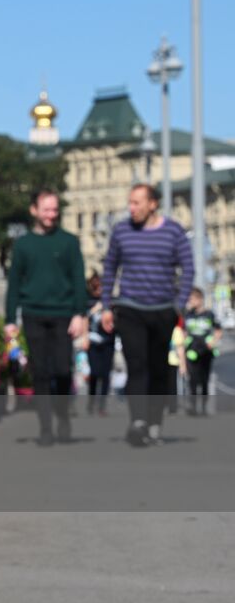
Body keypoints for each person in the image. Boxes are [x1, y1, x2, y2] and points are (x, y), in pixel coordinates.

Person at [99, 184, 195, 446]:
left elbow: (188, 267)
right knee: (137, 365)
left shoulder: (173, 231)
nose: (132, 208)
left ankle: (154, 424)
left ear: (153, 204)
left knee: (158, 369)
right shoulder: (122, 231)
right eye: (130, 202)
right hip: (130, 308)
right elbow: (110, 268)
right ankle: (138, 422)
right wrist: (106, 305)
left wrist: (180, 303)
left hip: (163, 310)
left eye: (137, 203)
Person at [5, 189, 87, 445]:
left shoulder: (69, 242)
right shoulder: (24, 245)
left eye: (55, 210)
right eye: (46, 210)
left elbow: (78, 279)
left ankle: (63, 415)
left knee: (63, 369)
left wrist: (79, 314)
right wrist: (10, 319)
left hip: (63, 314)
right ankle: (45, 428)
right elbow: (14, 284)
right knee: (40, 372)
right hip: (34, 314)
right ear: (34, 211)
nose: (51, 215)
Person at [184, 288, 222, 415]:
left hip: (206, 352)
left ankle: (204, 408)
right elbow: (183, 331)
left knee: (204, 380)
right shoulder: (188, 315)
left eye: (192, 299)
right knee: (192, 380)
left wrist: (213, 342)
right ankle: (193, 407)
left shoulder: (209, 314)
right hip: (191, 352)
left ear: (200, 299)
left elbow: (218, 330)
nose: (190, 302)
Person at [85, 272, 116, 415]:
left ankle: (102, 405)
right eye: (96, 287)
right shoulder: (87, 301)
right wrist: (93, 310)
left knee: (105, 374)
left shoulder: (111, 302)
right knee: (94, 372)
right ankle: (91, 402)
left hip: (108, 342)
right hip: (92, 342)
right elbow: (82, 318)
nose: (99, 290)